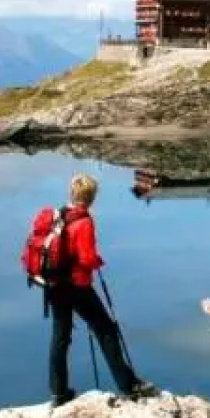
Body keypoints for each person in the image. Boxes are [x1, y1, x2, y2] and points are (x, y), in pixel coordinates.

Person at [48, 173, 155, 404]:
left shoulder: (59, 215)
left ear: (72, 193)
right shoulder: (84, 222)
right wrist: (97, 261)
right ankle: (129, 386)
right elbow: (86, 259)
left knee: (60, 336)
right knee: (106, 330)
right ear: (92, 197)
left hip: (53, 285)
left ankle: (58, 393)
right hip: (76, 286)